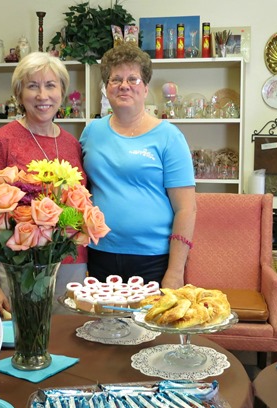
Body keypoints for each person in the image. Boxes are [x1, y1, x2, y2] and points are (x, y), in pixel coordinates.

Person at [0, 52, 87, 315]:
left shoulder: (72, 144)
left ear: (62, 91)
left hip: (71, 262)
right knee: (24, 335)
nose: (42, 95)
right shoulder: (0, 141)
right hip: (18, 265)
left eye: (50, 85)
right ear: (19, 93)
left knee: (67, 334)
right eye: (33, 86)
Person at [80, 42, 196, 289]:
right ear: (106, 88)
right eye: (116, 79)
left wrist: (175, 272)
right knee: (103, 316)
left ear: (145, 88)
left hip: (153, 258)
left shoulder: (169, 136)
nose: (124, 85)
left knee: (150, 317)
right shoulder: (91, 132)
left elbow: (186, 209)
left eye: (133, 79)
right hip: (99, 253)